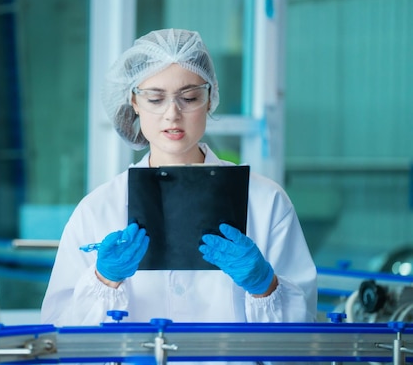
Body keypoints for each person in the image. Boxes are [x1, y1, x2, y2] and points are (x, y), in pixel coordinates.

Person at [41, 29, 317, 332]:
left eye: (189, 97)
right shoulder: (98, 209)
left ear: (210, 98)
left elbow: (302, 340)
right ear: (134, 101)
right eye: (156, 98)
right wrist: (104, 280)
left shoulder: (266, 201)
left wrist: (265, 286)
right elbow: (61, 334)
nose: (172, 114)